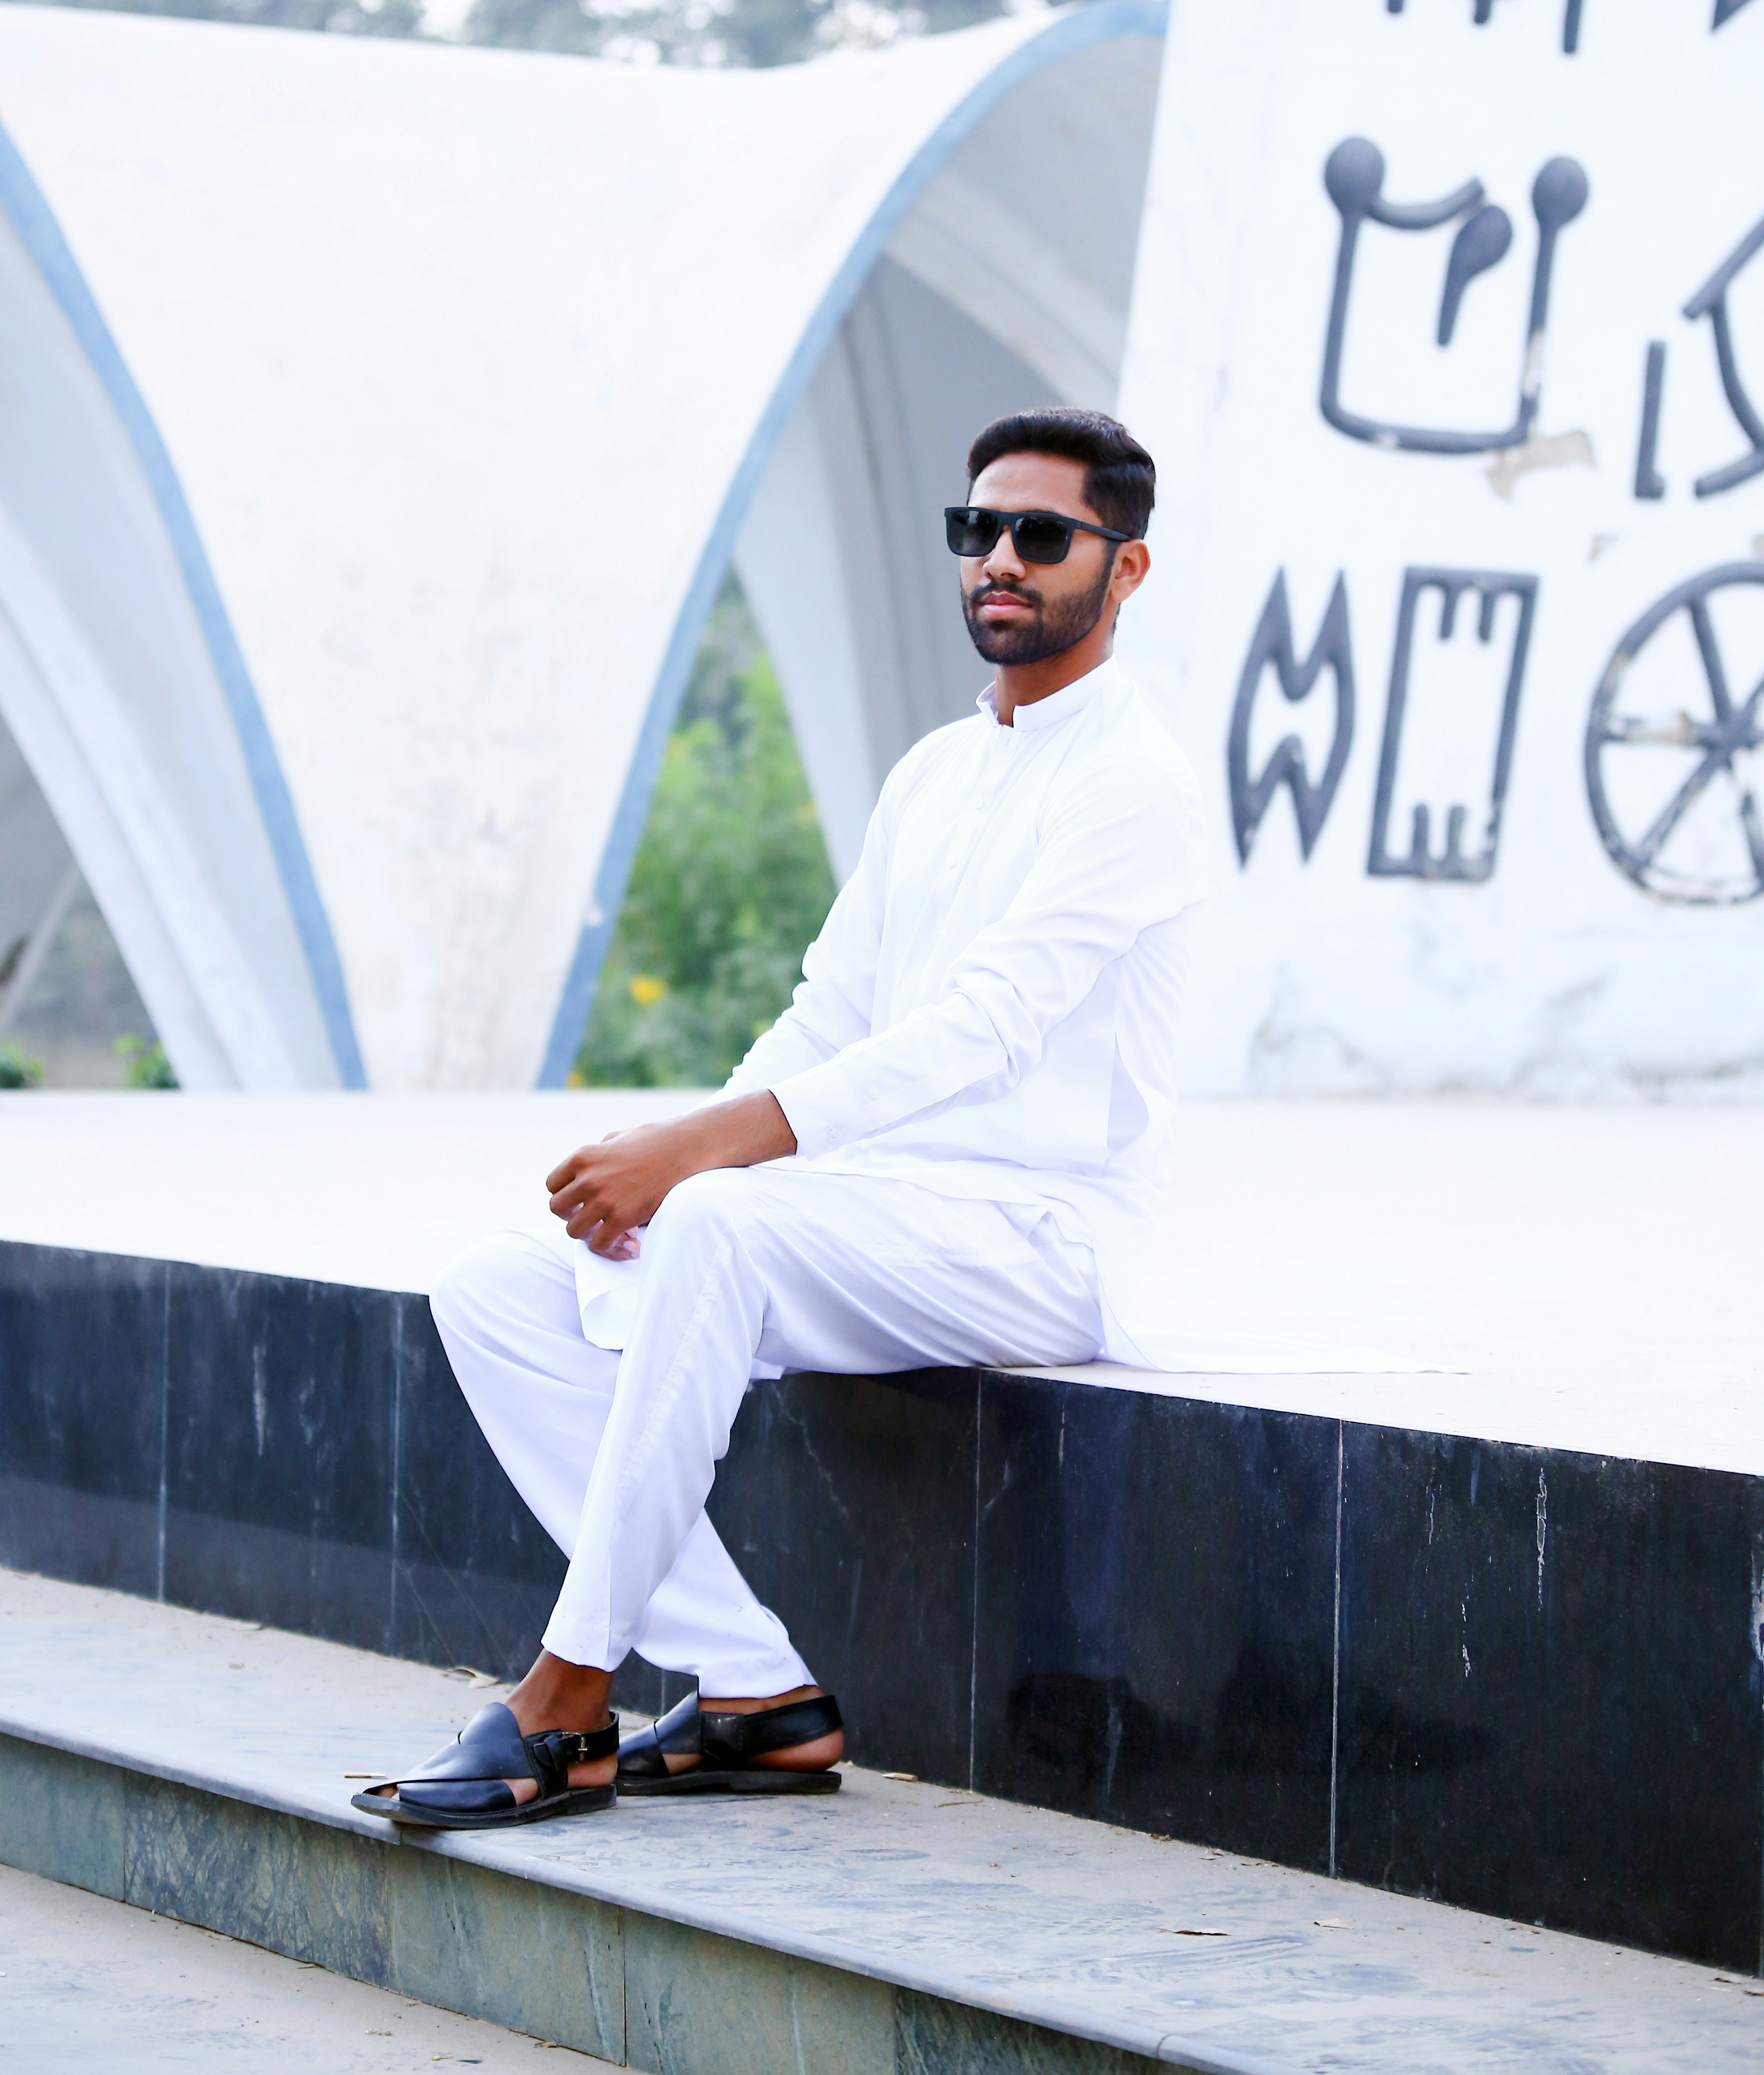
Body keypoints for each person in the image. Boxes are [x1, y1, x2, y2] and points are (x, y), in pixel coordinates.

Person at [354, 407, 1205, 1831]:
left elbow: (981, 1035)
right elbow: (831, 1012)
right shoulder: (935, 772)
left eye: (1040, 535)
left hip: (1036, 1239)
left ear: (1124, 571)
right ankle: (756, 1691)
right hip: (869, 1218)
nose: (999, 558)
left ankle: (567, 1691)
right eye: (977, 530)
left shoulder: (1136, 785)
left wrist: (698, 1161)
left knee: (727, 1218)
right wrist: (676, 1162)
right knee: (495, 1288)